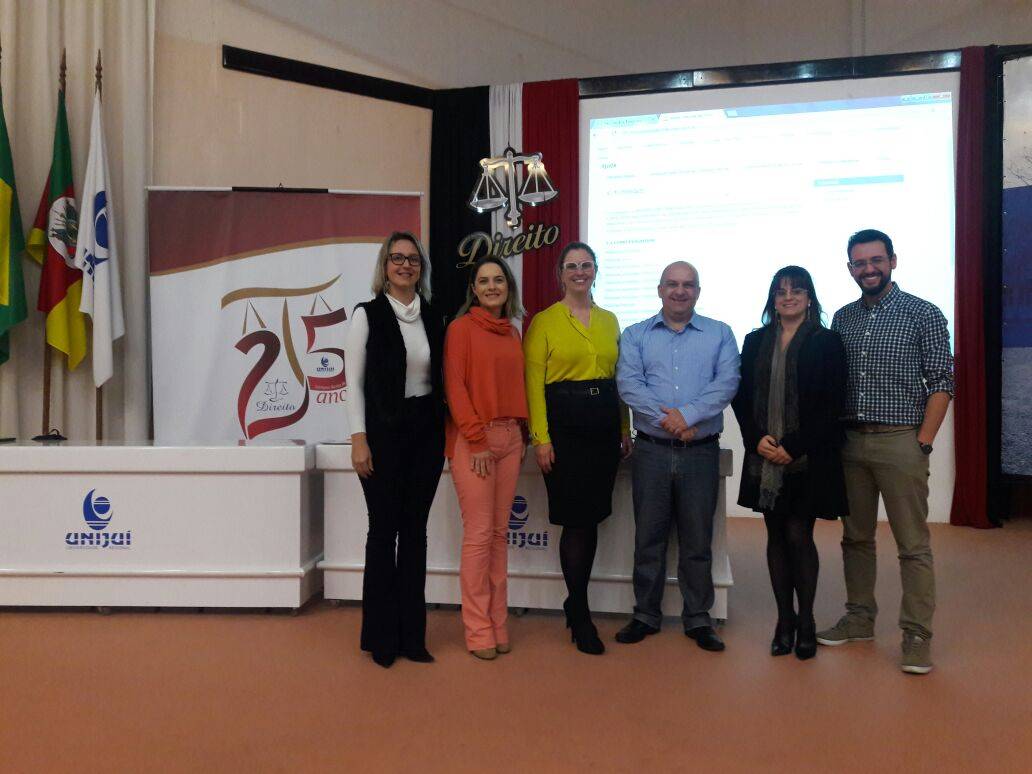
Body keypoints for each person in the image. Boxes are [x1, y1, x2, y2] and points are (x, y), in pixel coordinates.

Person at [817, 229, 953, 675]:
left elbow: (941, 381)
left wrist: (923, 441)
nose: (868, 269)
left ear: (892, 261)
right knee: (855, 538)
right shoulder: (843, 318)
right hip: (851, 442)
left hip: (901, 441)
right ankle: (859, 618)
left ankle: (917, 635)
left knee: (912, 545)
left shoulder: (923, 313)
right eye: (859, 263)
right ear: (850, 268)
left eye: (876, 260)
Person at [615, 261, 740, 651]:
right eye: (672, 284)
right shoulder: (635, 335)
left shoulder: (720, 333)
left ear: (698, 292)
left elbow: (727, 383)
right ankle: (645, 615)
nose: (680, 291)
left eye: (688, 285)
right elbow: (629, 384)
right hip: (651, 452)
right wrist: (670, 422)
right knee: (648, 538)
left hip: (700, 453)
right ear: (659, 290)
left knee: (697, 540)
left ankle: (698, 618)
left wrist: (687, 416)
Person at [732, 266, 848, 661]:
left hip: (807, 459)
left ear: (809, 297)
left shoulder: (827, 341)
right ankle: (785, 620)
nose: (788, 297)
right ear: (772, 299)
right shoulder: (754, 341)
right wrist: (755, 439)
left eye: (796, 290)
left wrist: (794, 446)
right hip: (764, 457)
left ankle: (807, 620)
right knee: (776, 536)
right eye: (780, 291)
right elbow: (741, 397)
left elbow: (833, 404)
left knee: (799, 535)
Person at [523, 242, 632, 656]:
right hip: (564, 431)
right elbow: (533, 384)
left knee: (593, 518)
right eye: (572, 266)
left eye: (586, 265)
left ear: (596, 270)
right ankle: (580, 613)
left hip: (603, 429)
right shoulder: (544, 321)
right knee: (576, 522)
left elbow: (619, 380)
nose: (580, 272)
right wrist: (541, 437)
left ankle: (576, 602)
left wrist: (625, 427)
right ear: (560, 273)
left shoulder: (610, 320)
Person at [344, 231, 446, 669]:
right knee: (384, 533)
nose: (405, 265)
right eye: (397, 258)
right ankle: (382, 637)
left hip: (426, 435)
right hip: (382, 437)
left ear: (421, 268)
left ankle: (412, 638)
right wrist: (358, 438)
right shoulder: (366, 315)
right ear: (385, 266)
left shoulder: (434, 316)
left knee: (416, 534)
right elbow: (351, 383)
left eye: (413, 259)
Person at [444, 256, 528, 660]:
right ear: (474, 290)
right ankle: (478, 630)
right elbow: (455, 387)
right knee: (479, 536)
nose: (492, 286)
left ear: (508, 287)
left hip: (511, 437)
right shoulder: (461, 329)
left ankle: (498, 623)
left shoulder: (513, 332)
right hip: (474, 440)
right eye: (484, 281)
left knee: (498, 535)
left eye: (498, 280)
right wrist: (477, 440)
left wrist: (521, 435)